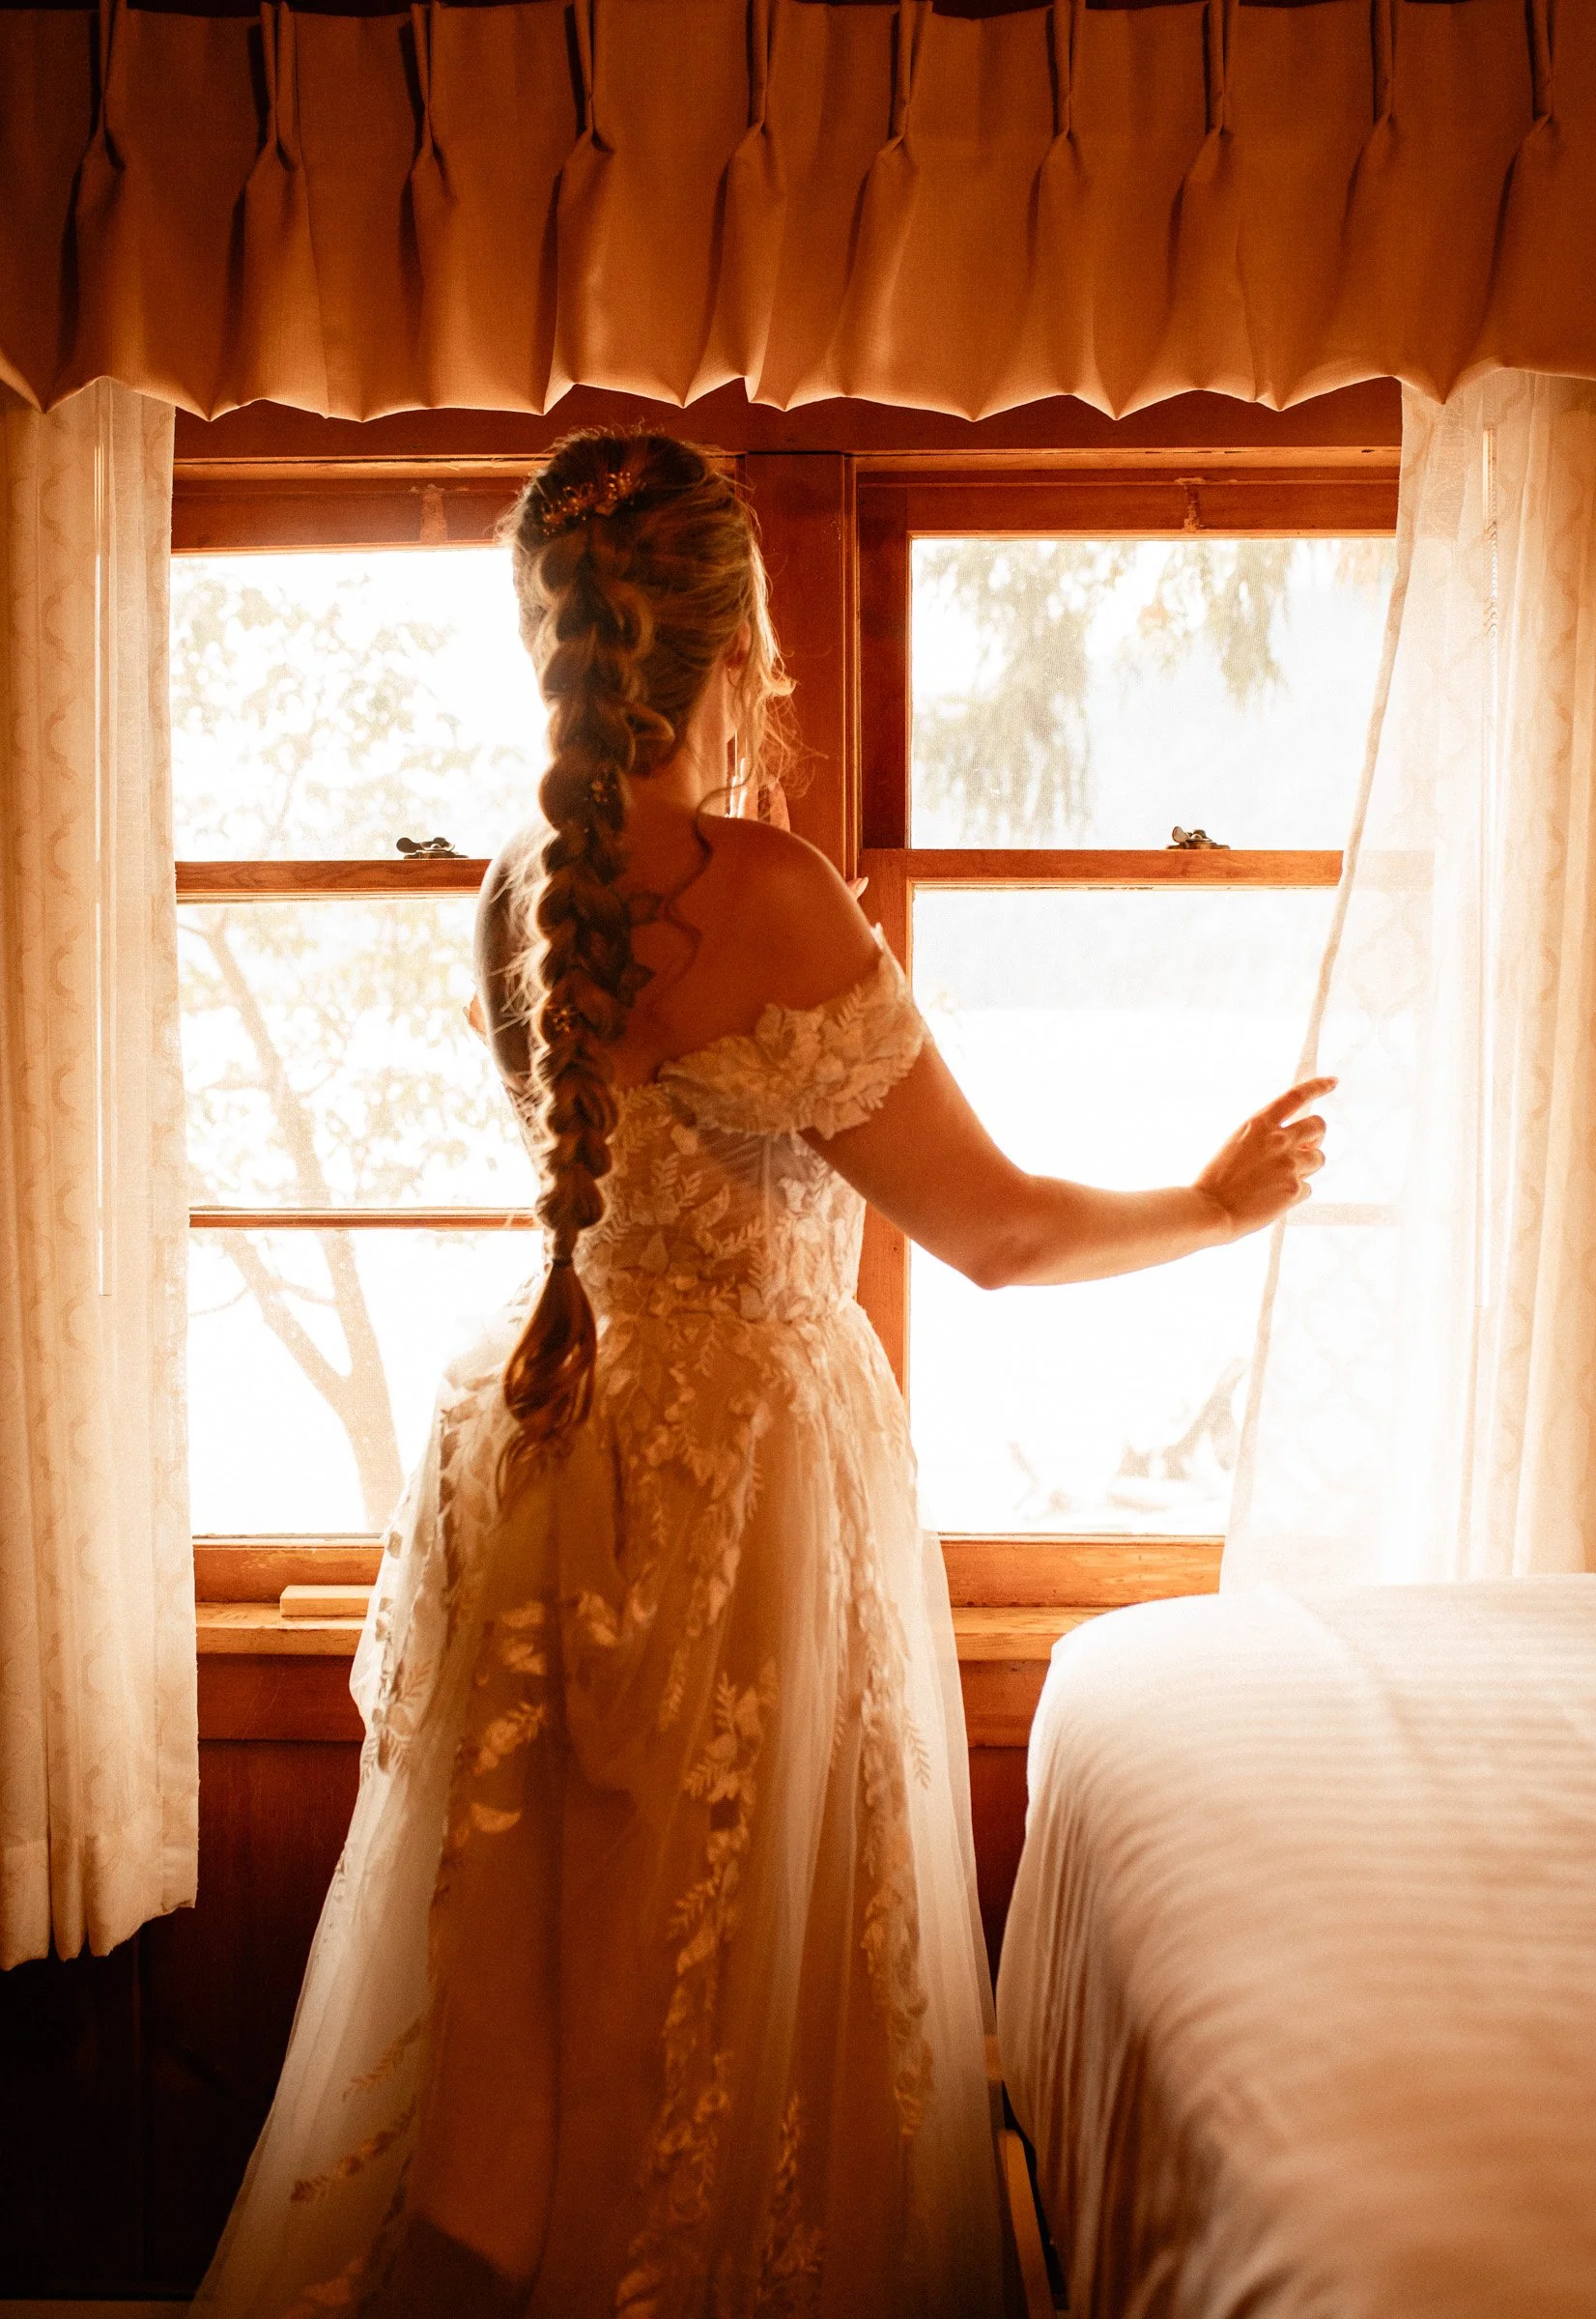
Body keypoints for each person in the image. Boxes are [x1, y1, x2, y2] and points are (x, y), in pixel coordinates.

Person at [192, 432, 1329, 2319]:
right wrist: (1216, 1205)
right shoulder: (773, 892)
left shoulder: (514, 885)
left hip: (547, 1432)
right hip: (738, 1474)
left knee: (536, 1957)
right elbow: (1002, 1234)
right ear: (730, 652)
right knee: (725, 1955)